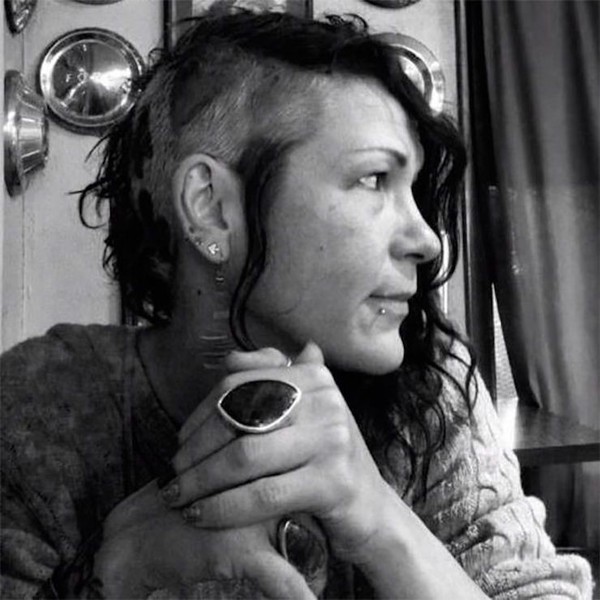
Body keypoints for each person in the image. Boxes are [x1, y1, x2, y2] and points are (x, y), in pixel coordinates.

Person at [0, 8, 593, 600]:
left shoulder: (431, 387)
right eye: (373, 179)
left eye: (411, 189)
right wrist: (115, 573)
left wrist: (380, 521)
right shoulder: (44, 410)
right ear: (211, 208)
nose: (426, 240)